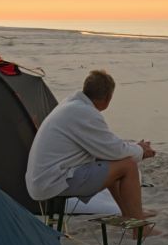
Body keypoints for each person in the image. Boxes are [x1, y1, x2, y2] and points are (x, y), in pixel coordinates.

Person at [26, 69, 156, 221]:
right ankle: (140, 225)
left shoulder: (72, 105)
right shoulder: (84, 113)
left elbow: (107, 146)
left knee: (112, 161)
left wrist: (135, 146)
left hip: (45, 179)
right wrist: (140, 150)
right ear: (108, 98)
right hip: (52, 182)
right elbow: (113, 149)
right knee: (129, 165)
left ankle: (130, 214)